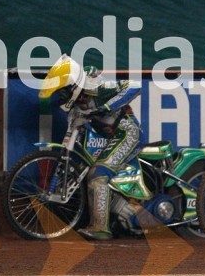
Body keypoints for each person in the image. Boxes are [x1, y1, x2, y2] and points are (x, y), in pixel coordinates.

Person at [38, 55, 142, 241]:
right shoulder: (77, 104)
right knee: (91, 171)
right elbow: (70, 133)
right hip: (110, 138)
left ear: (72, 87)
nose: (62, 96)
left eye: (63, 91)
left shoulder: (97, 87)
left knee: (98, 175)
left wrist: (108, 107)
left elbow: (135, 85)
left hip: (127, 134)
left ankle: (100, 228)